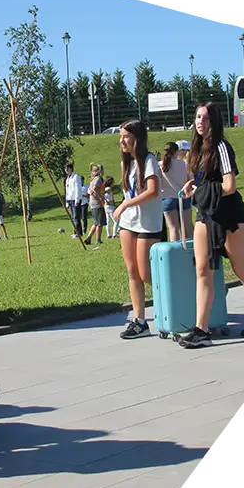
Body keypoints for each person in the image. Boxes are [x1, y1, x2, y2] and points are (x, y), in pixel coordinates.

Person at [181, 102, 244, 348]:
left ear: (215, 122)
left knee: (239, 266)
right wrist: (192, 186)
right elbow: (202, 180)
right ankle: (200, 328)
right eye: (198, 117)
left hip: (228, 214)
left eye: (206, 118)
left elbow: (229, 185)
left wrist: (201, 189)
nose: (201, 122)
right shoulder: (197, 149)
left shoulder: (221, 146)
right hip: (205, 213)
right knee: (203, 269)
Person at [113, 120, 163, 340]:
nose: (122, 141)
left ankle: (175, 299)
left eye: (125, 136)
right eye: (120, 137)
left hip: (148, 223)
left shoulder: (149, 160)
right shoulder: (128, 163)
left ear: (137, 138)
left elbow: (153, 191)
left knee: (146, 273)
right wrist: (124, 209)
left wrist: (124, 204)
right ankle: (140, 321)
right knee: (132, 272)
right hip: (128, 224)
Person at [158, 142, 194, 242]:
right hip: (183, 197)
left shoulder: (160, 165)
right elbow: (191, 179)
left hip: (167, 198)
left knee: (173, 228)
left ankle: (176, 251)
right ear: (176, 152)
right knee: (187, 226)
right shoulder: (184, 165)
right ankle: (192, 248)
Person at [83, 164, 106, 246]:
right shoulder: (98, 179)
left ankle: (88, 238)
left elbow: (89, 190)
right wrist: (101, 198)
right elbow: (95, 188)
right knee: (100, 222)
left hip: (92, 203)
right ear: (99, 171)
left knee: (96, 222)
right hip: (97, 203)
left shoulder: (92, 180)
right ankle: (98, 239)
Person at [64, 162, 84, 237]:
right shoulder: (67, 179)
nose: (66, 170)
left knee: (76, 217)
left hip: (75, 199)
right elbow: (67, 190)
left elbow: (77, 189)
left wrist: (77, 200)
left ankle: (78, 233)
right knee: (73, 217)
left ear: (71, 169)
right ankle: (76, 232)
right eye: (65, 169)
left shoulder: (76, 177)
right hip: (70, 199)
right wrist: (67, 202)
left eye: (67, 169)